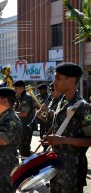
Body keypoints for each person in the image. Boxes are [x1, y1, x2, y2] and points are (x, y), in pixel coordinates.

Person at [41, 63, 91, 193]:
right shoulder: (61, 103)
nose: (54, 82)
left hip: (72, 172)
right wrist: (50, 139)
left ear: (71, 80)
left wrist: (62, 140)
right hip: (56, 168)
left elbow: (89, 140)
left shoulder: (83, 107)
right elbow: (60, 128)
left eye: (58, 78)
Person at [37, 83, 63, 151]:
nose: (51, 93)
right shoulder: (51, 101)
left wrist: (48, 110)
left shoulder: (63, 101)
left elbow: (60, 117)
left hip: (57, 135)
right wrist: (41, 117)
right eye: (50, 90)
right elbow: (50, 120)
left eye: (53, 90)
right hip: (48, 132)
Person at [13, 80, 35, 158]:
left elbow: (24, 114)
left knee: (25, 150)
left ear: (22, 88)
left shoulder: (26, 97)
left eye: (16, 88)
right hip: (22, 126)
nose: (15, 90)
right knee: (22, 149)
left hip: (26, 127)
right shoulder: (21, 98)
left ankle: (28, 167)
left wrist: (12, 113)